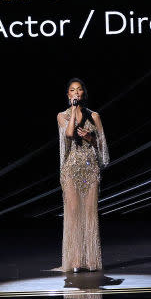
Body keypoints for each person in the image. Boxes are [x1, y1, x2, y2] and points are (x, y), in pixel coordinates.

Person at [53, 78, 109, 272]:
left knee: (89, 214)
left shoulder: (94, 116)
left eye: (79, 90)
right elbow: (68, 134)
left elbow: (102, 146)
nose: (76, 93)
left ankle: (91, 260)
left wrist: (89, 137)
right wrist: (75, 111)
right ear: (68, 95)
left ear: (83, 93)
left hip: (90, 169)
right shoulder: (62, 115)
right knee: (74, 214)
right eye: (72, 90)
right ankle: (76, 260)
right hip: (70, 170)